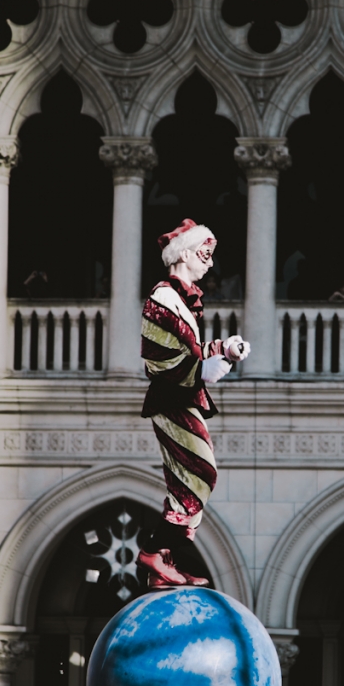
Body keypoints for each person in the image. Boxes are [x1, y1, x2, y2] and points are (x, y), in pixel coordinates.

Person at [136, 218, 251, 589]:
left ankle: (164, 563)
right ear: (185, 253)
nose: (210, 263)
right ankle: (156, 552)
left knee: (186, 478)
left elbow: (193, 352)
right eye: (205, 254)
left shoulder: (178, 299)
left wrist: (224, 350)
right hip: (171, 399)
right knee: (200, 471)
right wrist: (199, 370)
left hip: (181, 396)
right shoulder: (162, 297)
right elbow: (157, 357)